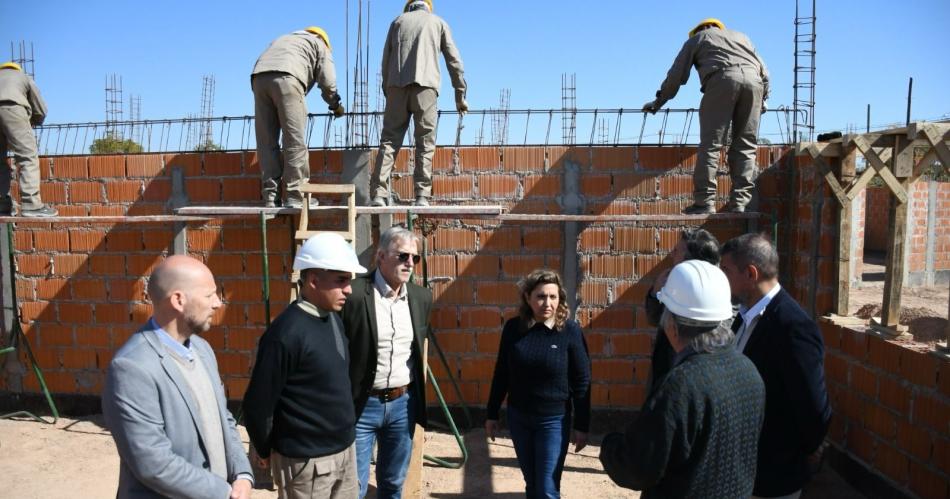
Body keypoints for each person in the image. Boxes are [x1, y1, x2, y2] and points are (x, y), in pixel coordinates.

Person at [600, 260, 766, 498]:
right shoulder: (748, 370)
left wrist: (611, 445)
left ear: (672, 326)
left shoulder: (680, 385)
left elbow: (637, 469)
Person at [102, 255, 253, 498]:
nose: (217, 303)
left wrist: (242, 475)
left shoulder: (202, 350)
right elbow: (153, 463)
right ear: (178, 300)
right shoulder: (132, 368)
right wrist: (223, 492)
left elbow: (224, 419)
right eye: (209, 295)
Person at [243, 233, 367, 499]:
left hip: (345, 451)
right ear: (313, 280)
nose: (348, 289)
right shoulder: (285, 334)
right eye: (341, 281)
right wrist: (264, 449)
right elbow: (258, 403)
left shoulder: (331, 317)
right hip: (306, 463)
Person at [720, 233, 831, 498]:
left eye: (725, 270)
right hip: (743, 472)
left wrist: (796, 456)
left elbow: (815, 409)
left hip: (773, 476)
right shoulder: (744, 318)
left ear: (750, 273)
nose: (720, 278)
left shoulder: (793, 327)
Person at [339, 226, 433, 499]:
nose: (410, 263)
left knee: (392, 484)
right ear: (380, 256)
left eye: (415, 258)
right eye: (403, 256)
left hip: (403, 405)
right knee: (353, 486)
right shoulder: (354, 295)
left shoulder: (420, 298)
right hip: (361, 406)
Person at [642, 18, 770, 215]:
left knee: (711, 145)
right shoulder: (742, 38)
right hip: (754, 84)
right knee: (746, 146)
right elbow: (765, 73)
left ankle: (704, 202)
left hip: (722, 80)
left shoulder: (697, 39)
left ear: (698, 30)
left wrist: (658, 102)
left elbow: (676, 76)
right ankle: (739, 203)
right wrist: (763, 99)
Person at [485, 269, 591, 499]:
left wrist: (582, 425)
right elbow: (502, 371)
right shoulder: (513, 329)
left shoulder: (570, 331)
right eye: (541, 296)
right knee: (532, 483)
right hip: (519, 418)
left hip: (553, 421)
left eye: (553, 297)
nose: (547, 303)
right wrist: (492, 413)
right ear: (527, 298)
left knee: (547, 489)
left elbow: (582, 380)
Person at [370, 0, 467, 207]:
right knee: (425, 142)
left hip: (396, 86)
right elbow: (454, 61)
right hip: (426, 87)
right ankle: (422, 196)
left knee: (389, 140)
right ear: (428, 7)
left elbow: (385, 61)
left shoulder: (397, 22)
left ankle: (378, 194)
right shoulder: (437, 22)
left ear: (409, 7)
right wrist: (460, 96)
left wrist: (389, 92)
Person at [251, 27, 345, 209]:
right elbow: (328, 82)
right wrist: (335, 105)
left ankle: (271, 197)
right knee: (294, 140)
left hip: (259, 78)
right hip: (288, 78)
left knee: (267, 142)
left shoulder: (283, 38)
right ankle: (296, 195)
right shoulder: (319, 44)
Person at [645, 228, 721, 389]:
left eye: (677, 251)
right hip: (666, 371)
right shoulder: (673, 281)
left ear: (690, 260)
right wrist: (655, 294)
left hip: (693, 379)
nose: (671, 254)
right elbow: (654, 318)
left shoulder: (715, 294)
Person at [0, 61, 56, 217]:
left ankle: (1, 203)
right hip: (13, 108)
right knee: (27, 156)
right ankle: (31, 204)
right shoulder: (22, 76)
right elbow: (40, 109)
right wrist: (32, 121)